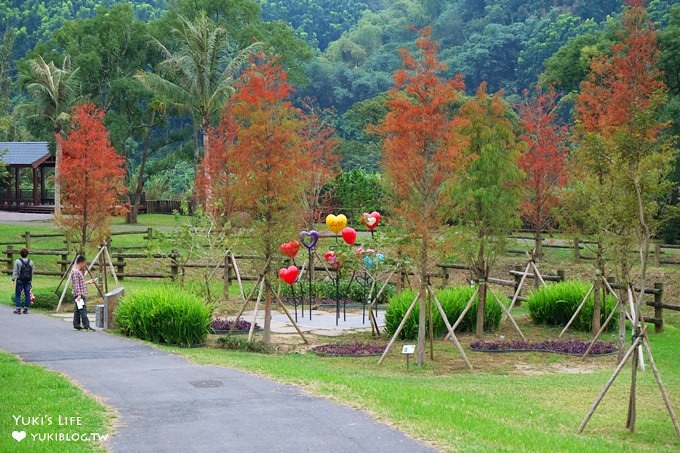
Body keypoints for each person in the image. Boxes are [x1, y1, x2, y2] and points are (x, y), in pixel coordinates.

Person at [71, 255, 96, 331]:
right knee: (83, 309)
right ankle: (86, 325)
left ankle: (76, 324)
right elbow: (76, 284)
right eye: (84, 263)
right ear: (81, 262)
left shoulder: (77, 271)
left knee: (78, 309)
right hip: (80, 295)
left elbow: (80, 283)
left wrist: (89, 282)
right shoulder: (76, 272)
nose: (85, 265)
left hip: (80, 294)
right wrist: (78, 295)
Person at [11, 248, 33, 314]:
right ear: (27, 254)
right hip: (28, 281)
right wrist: (30, 281)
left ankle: (18, 309)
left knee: (18, 295)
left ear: (20, 254)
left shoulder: (17, 261)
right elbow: (32, 273)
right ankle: (26, 309)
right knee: (27, 295)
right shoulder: (31, 262)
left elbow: (15, 271)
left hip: (20, 280)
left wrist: (13, 279)